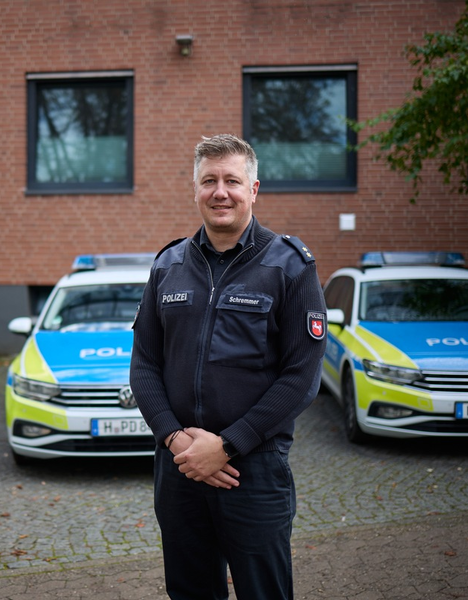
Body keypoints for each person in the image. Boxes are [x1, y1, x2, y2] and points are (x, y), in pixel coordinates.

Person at [130, 134, 327, 600]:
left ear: (254, 189)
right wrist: (178, 440)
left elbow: (302, 376)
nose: (221, 192)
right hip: (179, 468)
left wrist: (228, 445)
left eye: (233, 181)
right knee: (190, 591)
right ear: (195, 189)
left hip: (253, 470)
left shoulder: (290, 267)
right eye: (209, 181)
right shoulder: (168, 265)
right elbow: (144, 364)